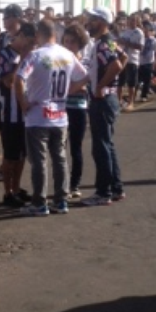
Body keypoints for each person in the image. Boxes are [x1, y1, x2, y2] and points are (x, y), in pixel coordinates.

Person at [14, 19, 87, 216]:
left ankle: (39, 202)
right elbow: (84, 76)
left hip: (38, 115)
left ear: (38, 35)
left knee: (39, 161)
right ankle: (61, 200)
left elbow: (19, 79)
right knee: (60, 158)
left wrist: (23, 103)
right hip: (60, 114)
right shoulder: (67, 54)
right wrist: (69, 92)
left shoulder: (35, 55)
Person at [82, 7, 126, 206]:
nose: (88, 23)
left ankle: (103, 192)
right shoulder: (107, 41)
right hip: (107, 98)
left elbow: (116, 65)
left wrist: (101, 85)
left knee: (101, 148)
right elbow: (123, 58)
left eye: (91, 19)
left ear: (100, 22)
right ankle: (116, 188)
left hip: (102, 100)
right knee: (107, 145)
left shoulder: (102, 44)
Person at [0, 21, 36, 206]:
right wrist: (22, 59)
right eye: (29, 42)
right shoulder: (4, 54)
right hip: (10, 112)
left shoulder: (32, 55)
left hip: (26, 112)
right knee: (10, 155)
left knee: (22, 155)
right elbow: (8, 81)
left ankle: (17, 188)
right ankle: (7, 192)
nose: (31, 46)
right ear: (21, 37)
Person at [62, 22, 90, 199]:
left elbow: (87, 86)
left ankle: (75, 184)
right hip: (62, 109)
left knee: (76, 148)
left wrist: (73, 87)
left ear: (80, 43)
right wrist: (75, 86)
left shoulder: (85, 61)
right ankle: (63, 184)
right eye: (65, 41)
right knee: (60, 149)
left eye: (71, 41)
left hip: (78, 108)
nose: (68, 45)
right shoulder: (61, 61)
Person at [117, 13, 144, 108]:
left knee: (131, 83)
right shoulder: (124, 32)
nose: (131, 22)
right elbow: (118, 44)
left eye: (134, 20)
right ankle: (119, 101)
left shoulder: (139, 32)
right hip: (121, 59)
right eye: (130, 20)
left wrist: (127, 43)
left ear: (137, 22)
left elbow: (140, 47)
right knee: (119, 82)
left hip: (132, 60)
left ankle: (131, 102)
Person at [138, 22, 156, 103]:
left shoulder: (154, 40)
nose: (146, 32)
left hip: (149, 62)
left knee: (147, 80)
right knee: (138, 80)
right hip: (139, 62)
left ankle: (144, 95)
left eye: (147, 30)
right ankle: (136, 93)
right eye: (144, 30)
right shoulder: (140, 39)